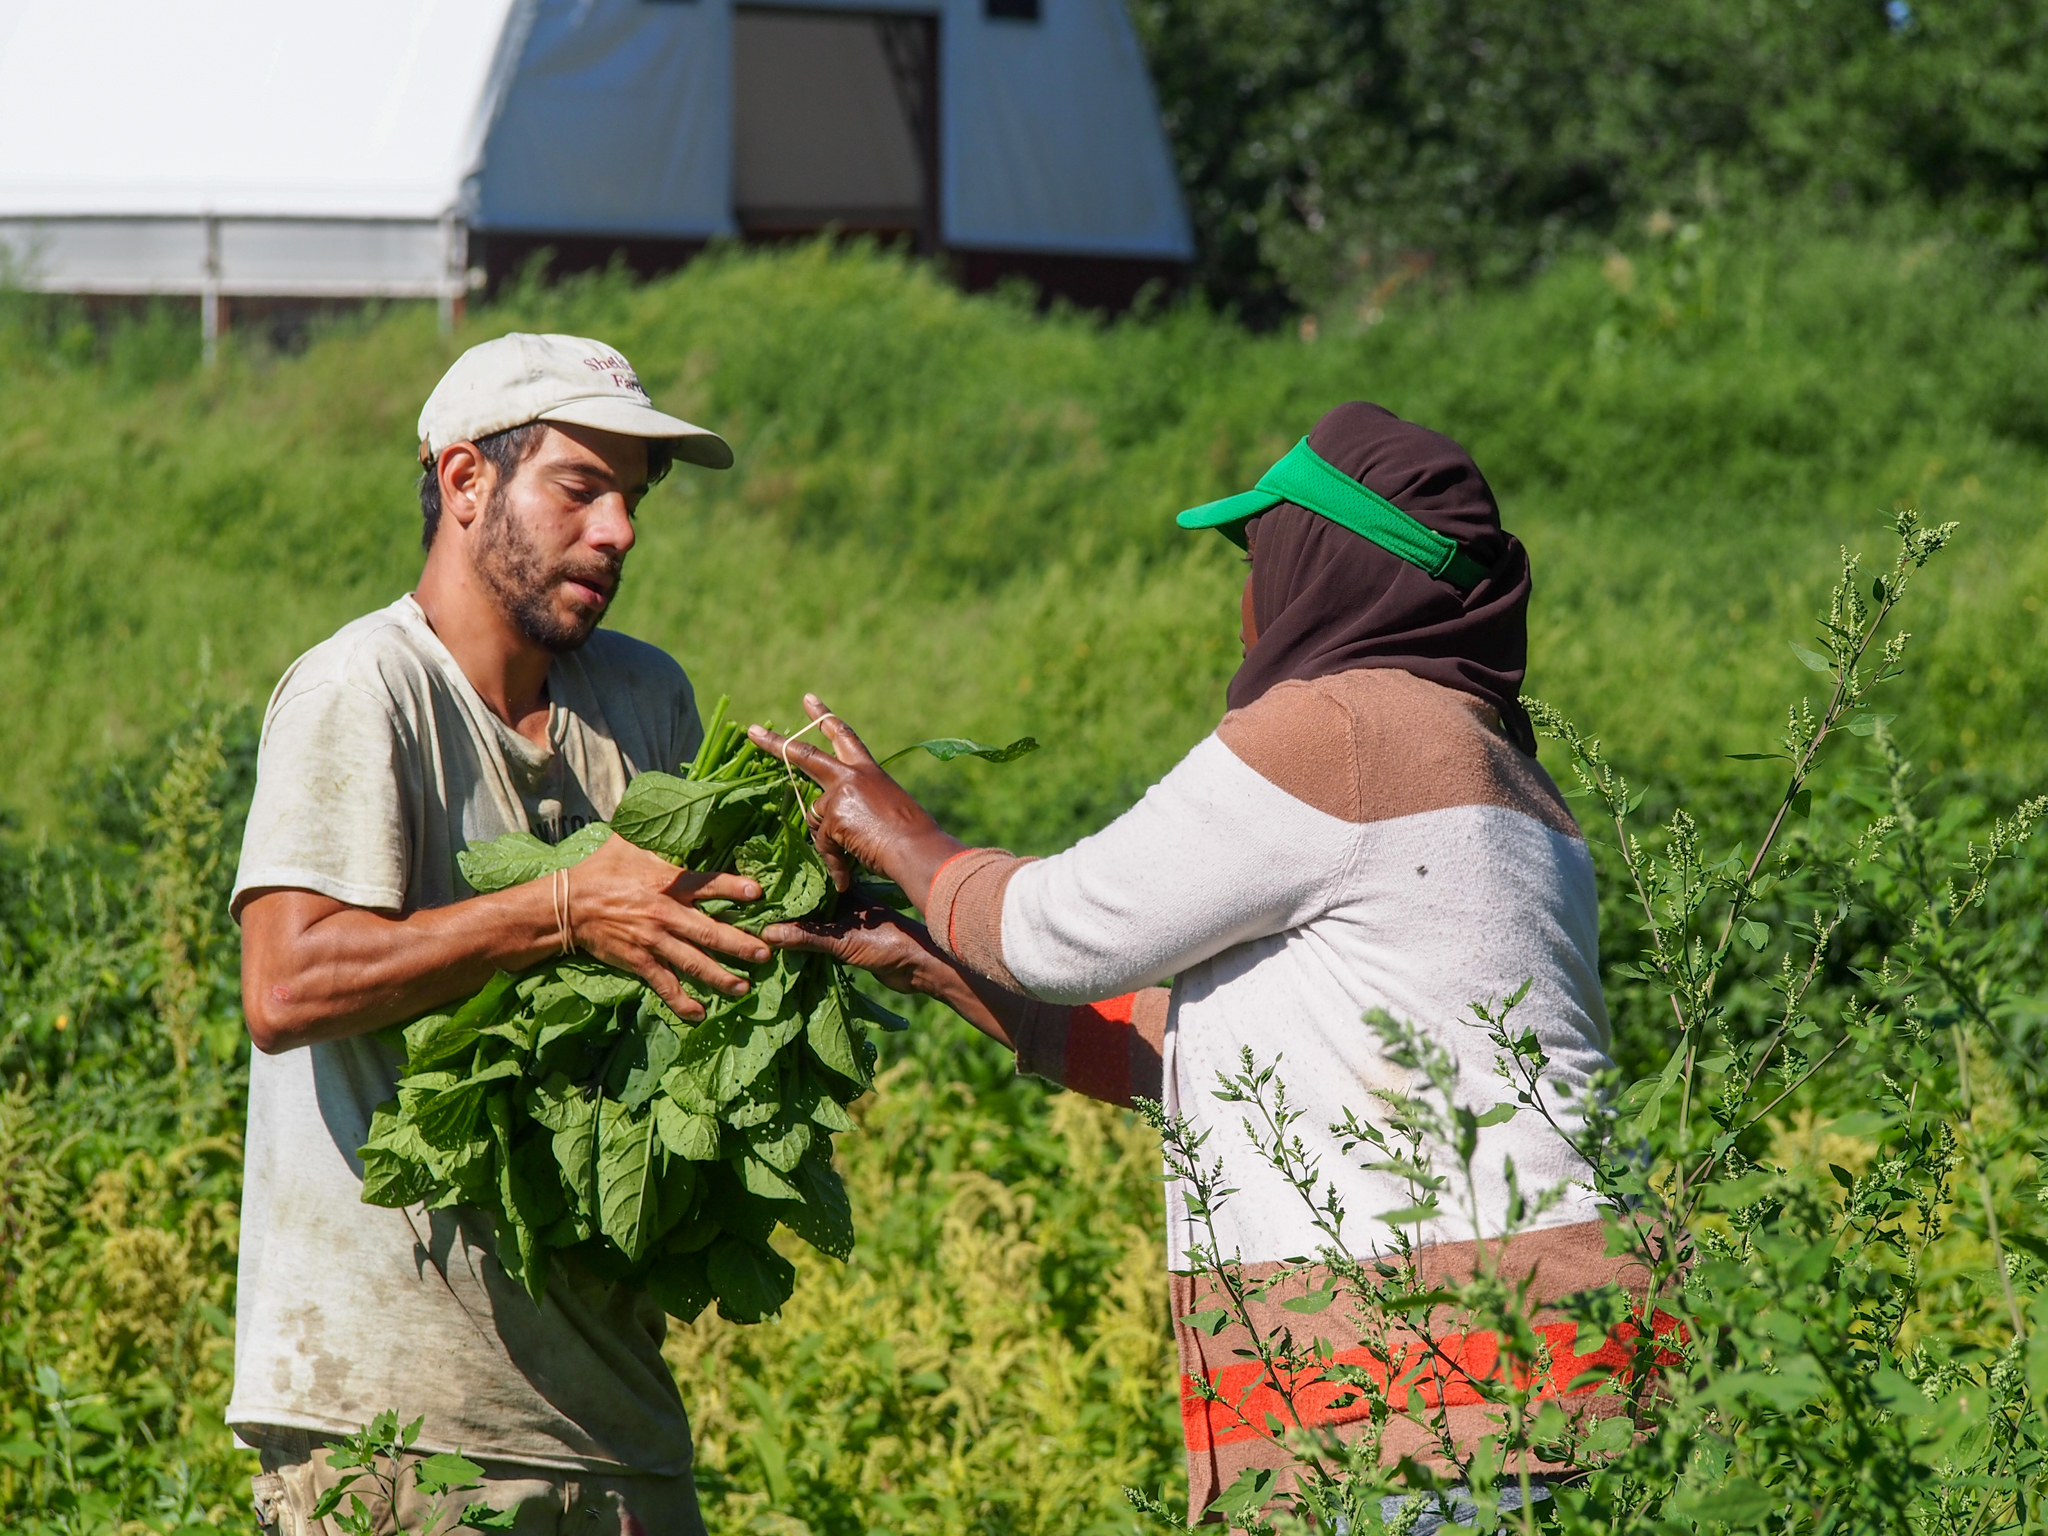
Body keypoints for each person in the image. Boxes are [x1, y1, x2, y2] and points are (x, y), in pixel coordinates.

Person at [753, 402, 1635, 1518]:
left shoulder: (1340, 730)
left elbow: (1054, 931)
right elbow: (1224, 1056)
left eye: (1259, 559)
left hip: (1433, 1406)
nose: (1241, 609)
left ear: (1330, 567)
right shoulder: (1500, 768)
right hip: (1552, 1379)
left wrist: (897, 831)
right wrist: (923, 955)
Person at [231, 333, 768, 1536]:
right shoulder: (361, 692)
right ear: (465, 480)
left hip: (613, 1420)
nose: (619, 530)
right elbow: (287, 985)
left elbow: (682, 957)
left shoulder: (645, 701)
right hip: (393, 1419)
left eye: (634, 497)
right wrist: (564, 907)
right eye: (581, 487)